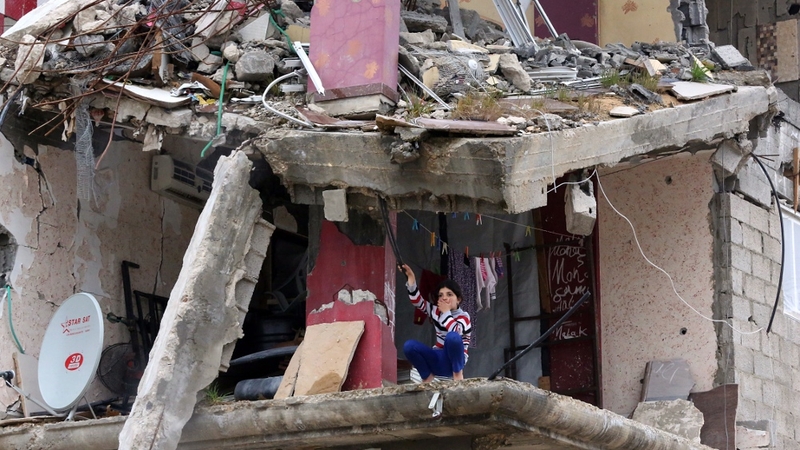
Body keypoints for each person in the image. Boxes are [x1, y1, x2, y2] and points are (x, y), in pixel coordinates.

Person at [400, 264, 472, 382]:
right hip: (437, 358)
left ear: (458, 299)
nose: (444, 298)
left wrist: (446, 313)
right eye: (440, 295)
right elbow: (417, 301)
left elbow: (455, 332)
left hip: (454, 363)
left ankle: (458, 375)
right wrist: (411, 279)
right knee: (409, 346)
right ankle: (427, 376)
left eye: (449, 294)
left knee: (452, 337)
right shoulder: (435, 311)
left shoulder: (464, 317)